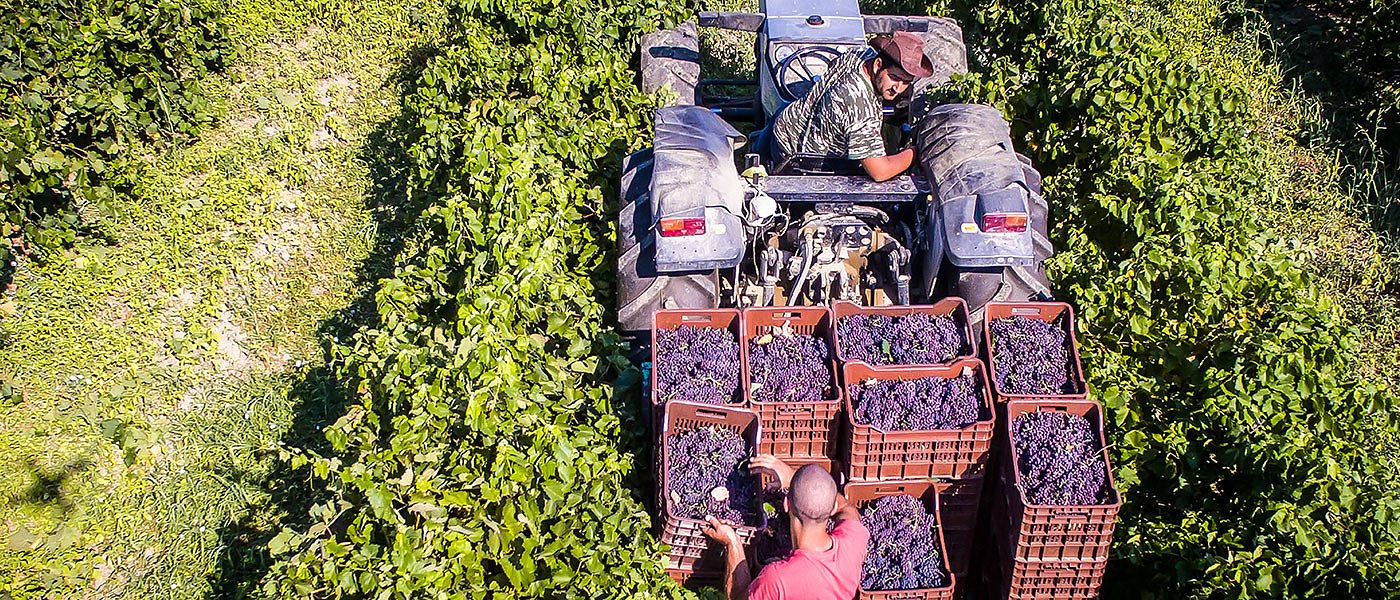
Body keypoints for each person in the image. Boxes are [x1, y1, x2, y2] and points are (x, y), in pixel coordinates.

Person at [768, 31, 934, 182]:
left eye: (906, 82)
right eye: (894, 78)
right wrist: (915, 153)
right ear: (878, 64)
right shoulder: (858, 102)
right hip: (798, 158)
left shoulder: (860, 55)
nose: (897, 88)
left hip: (789, 123)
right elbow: (880, 172)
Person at [702, 456, 870, 600]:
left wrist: (733, 543)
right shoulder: (854, 541)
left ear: (786, 504)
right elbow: (847, 508)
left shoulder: (777, 580)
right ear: (832, 508)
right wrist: (793, 478)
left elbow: (737, 597)